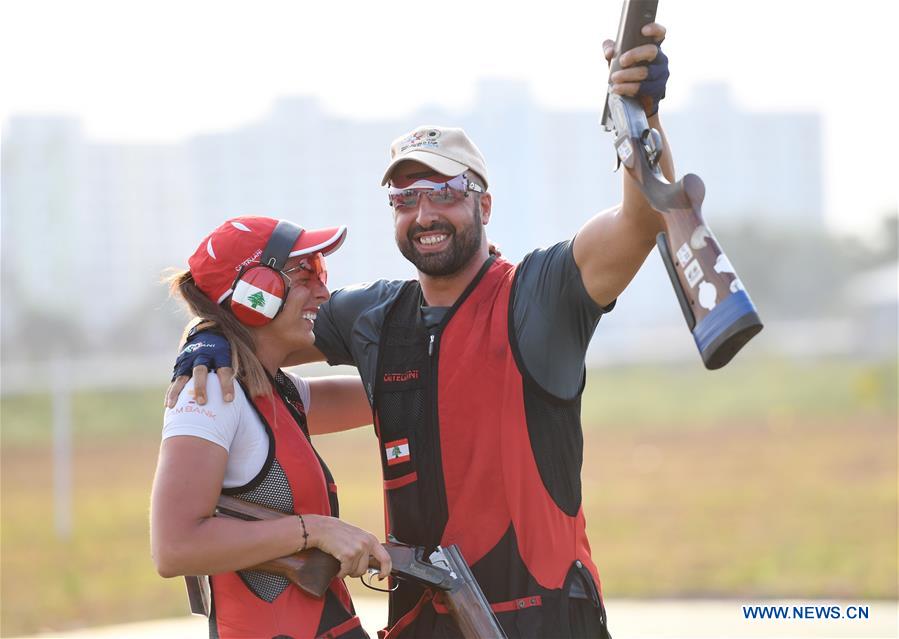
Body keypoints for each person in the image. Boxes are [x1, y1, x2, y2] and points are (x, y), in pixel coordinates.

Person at [167, 24, 672, 639]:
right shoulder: (375, 316)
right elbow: (260, 326)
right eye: (405, 198)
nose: (424, 213)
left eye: (444, 192)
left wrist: (640, 117)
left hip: (540, 619)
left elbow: (641, 220)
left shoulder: (540, 292)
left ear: (483, 205)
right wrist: (205, 340)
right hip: (420, 626)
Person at [151, 216, 392, 639]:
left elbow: (390, 394)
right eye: (305, 273)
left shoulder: (274, 389)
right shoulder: (209, 393)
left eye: (322, 271)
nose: (322, 290)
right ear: (254, 295)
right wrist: (315, 530)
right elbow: (174, 547)